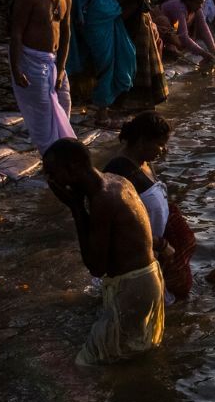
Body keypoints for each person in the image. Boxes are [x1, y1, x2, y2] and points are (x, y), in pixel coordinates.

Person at [41, 138, 165, 365]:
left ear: (73, 168)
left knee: (86, 364)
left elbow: (96, 268)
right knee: (128, 355)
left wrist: (76, 209)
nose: (50, 181)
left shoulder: (103, 199)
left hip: (134, 288)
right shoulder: (116, 181)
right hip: (145, 281)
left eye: (52, 173)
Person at [103, 112, 197, 303]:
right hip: (135, 260)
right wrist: (160, 244)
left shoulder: (144, 163)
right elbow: (119, 227)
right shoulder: (118, 173)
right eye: (160, 144)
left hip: (154, 255)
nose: (164, 150)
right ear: (142, 141)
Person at [10, 0, 81, 153]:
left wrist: (61, 68)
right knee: (42, 114)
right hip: (31, 59)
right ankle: (50, 157)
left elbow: (66, 33)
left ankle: (61, 153)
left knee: (64, 102)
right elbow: (16, 33)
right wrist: (16, 68)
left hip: (54, 60)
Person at [68, 0, 136, 126]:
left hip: (109, 15)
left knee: (122, 56)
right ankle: (101, 111)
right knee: (104, 64)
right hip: (93, 20)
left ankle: (101, 106)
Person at [156, 0, 215, 69]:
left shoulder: (197, 8)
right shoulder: (180, 8)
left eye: (202, 3)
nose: (200, 6)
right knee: (175, 47)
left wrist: (214, 51)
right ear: (188, 1)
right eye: (198, 3)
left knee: (195, 38)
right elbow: (184, 37)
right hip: (162, 29)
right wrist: (203, 53)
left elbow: (204, 29)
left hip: (174, 30)